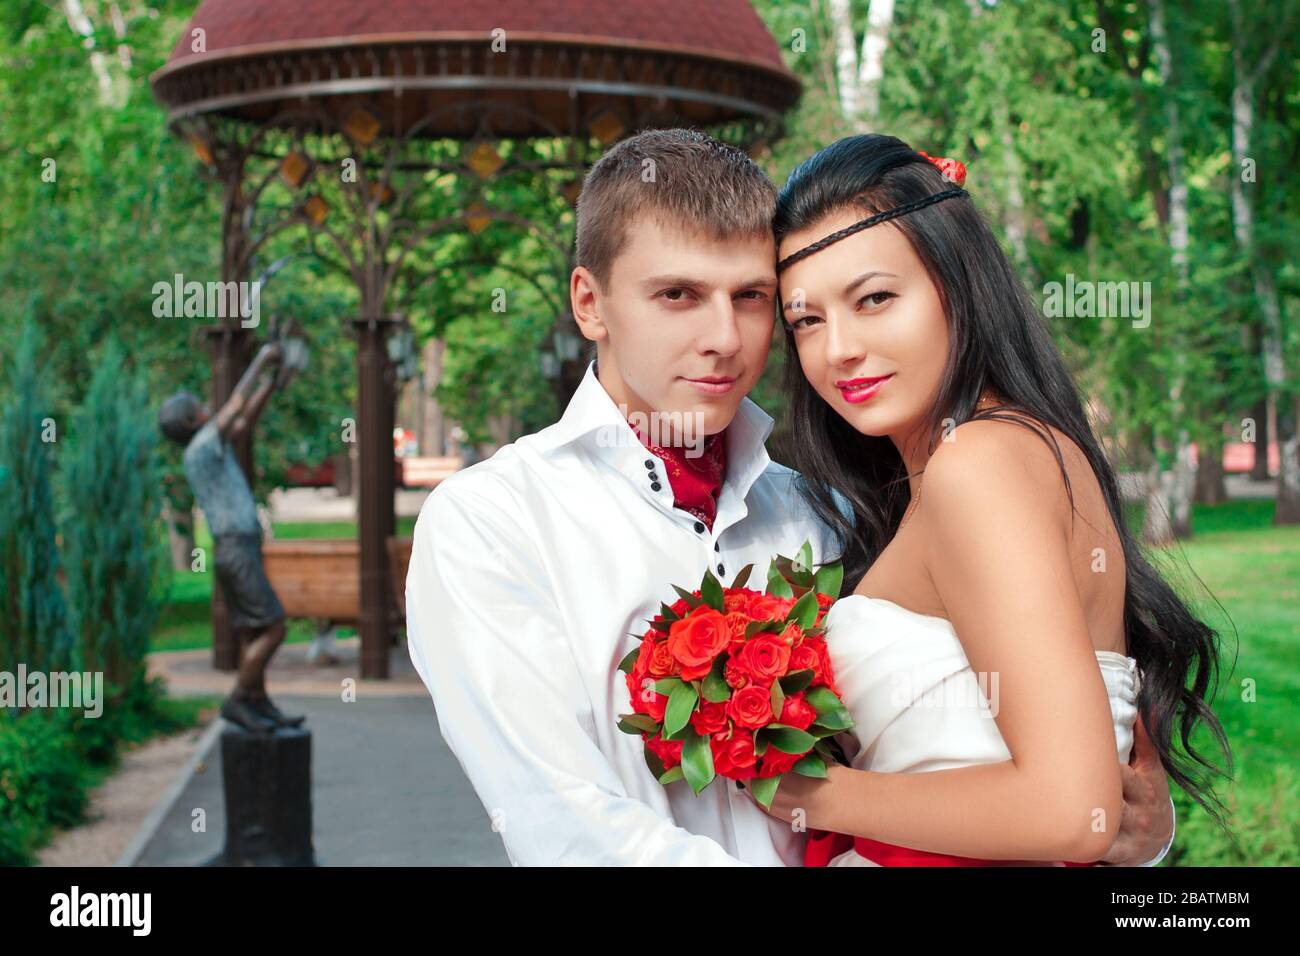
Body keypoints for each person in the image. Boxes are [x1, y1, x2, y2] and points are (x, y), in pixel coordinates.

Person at [404, 128, 1176, 866]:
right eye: (677, 294)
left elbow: (1000, 760)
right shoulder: (493, 522)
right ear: (590, 304)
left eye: (750, 298)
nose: (724, 337)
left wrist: (1137, 830)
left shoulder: (827, 511)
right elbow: (568, 830)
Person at [741, 134, 1229, 866]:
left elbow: (1073, 813)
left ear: (958, 283)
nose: (836, 348)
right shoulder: (989, 460)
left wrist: (811, 793)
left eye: (874, 298)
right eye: (806, 320)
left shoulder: (980, 463)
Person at [159, 320, 310, 733]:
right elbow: (233, 409)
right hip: (236, 548)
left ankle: (259, 704)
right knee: (276, 627)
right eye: (200, 407)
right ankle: (240, 699)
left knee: (254, 631)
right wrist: (262, 358)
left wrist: (271, 385)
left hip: (237, 549)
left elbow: (245, 420)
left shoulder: (208, 448)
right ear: (193, 420)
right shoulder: (203, 446)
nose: (208, 408)